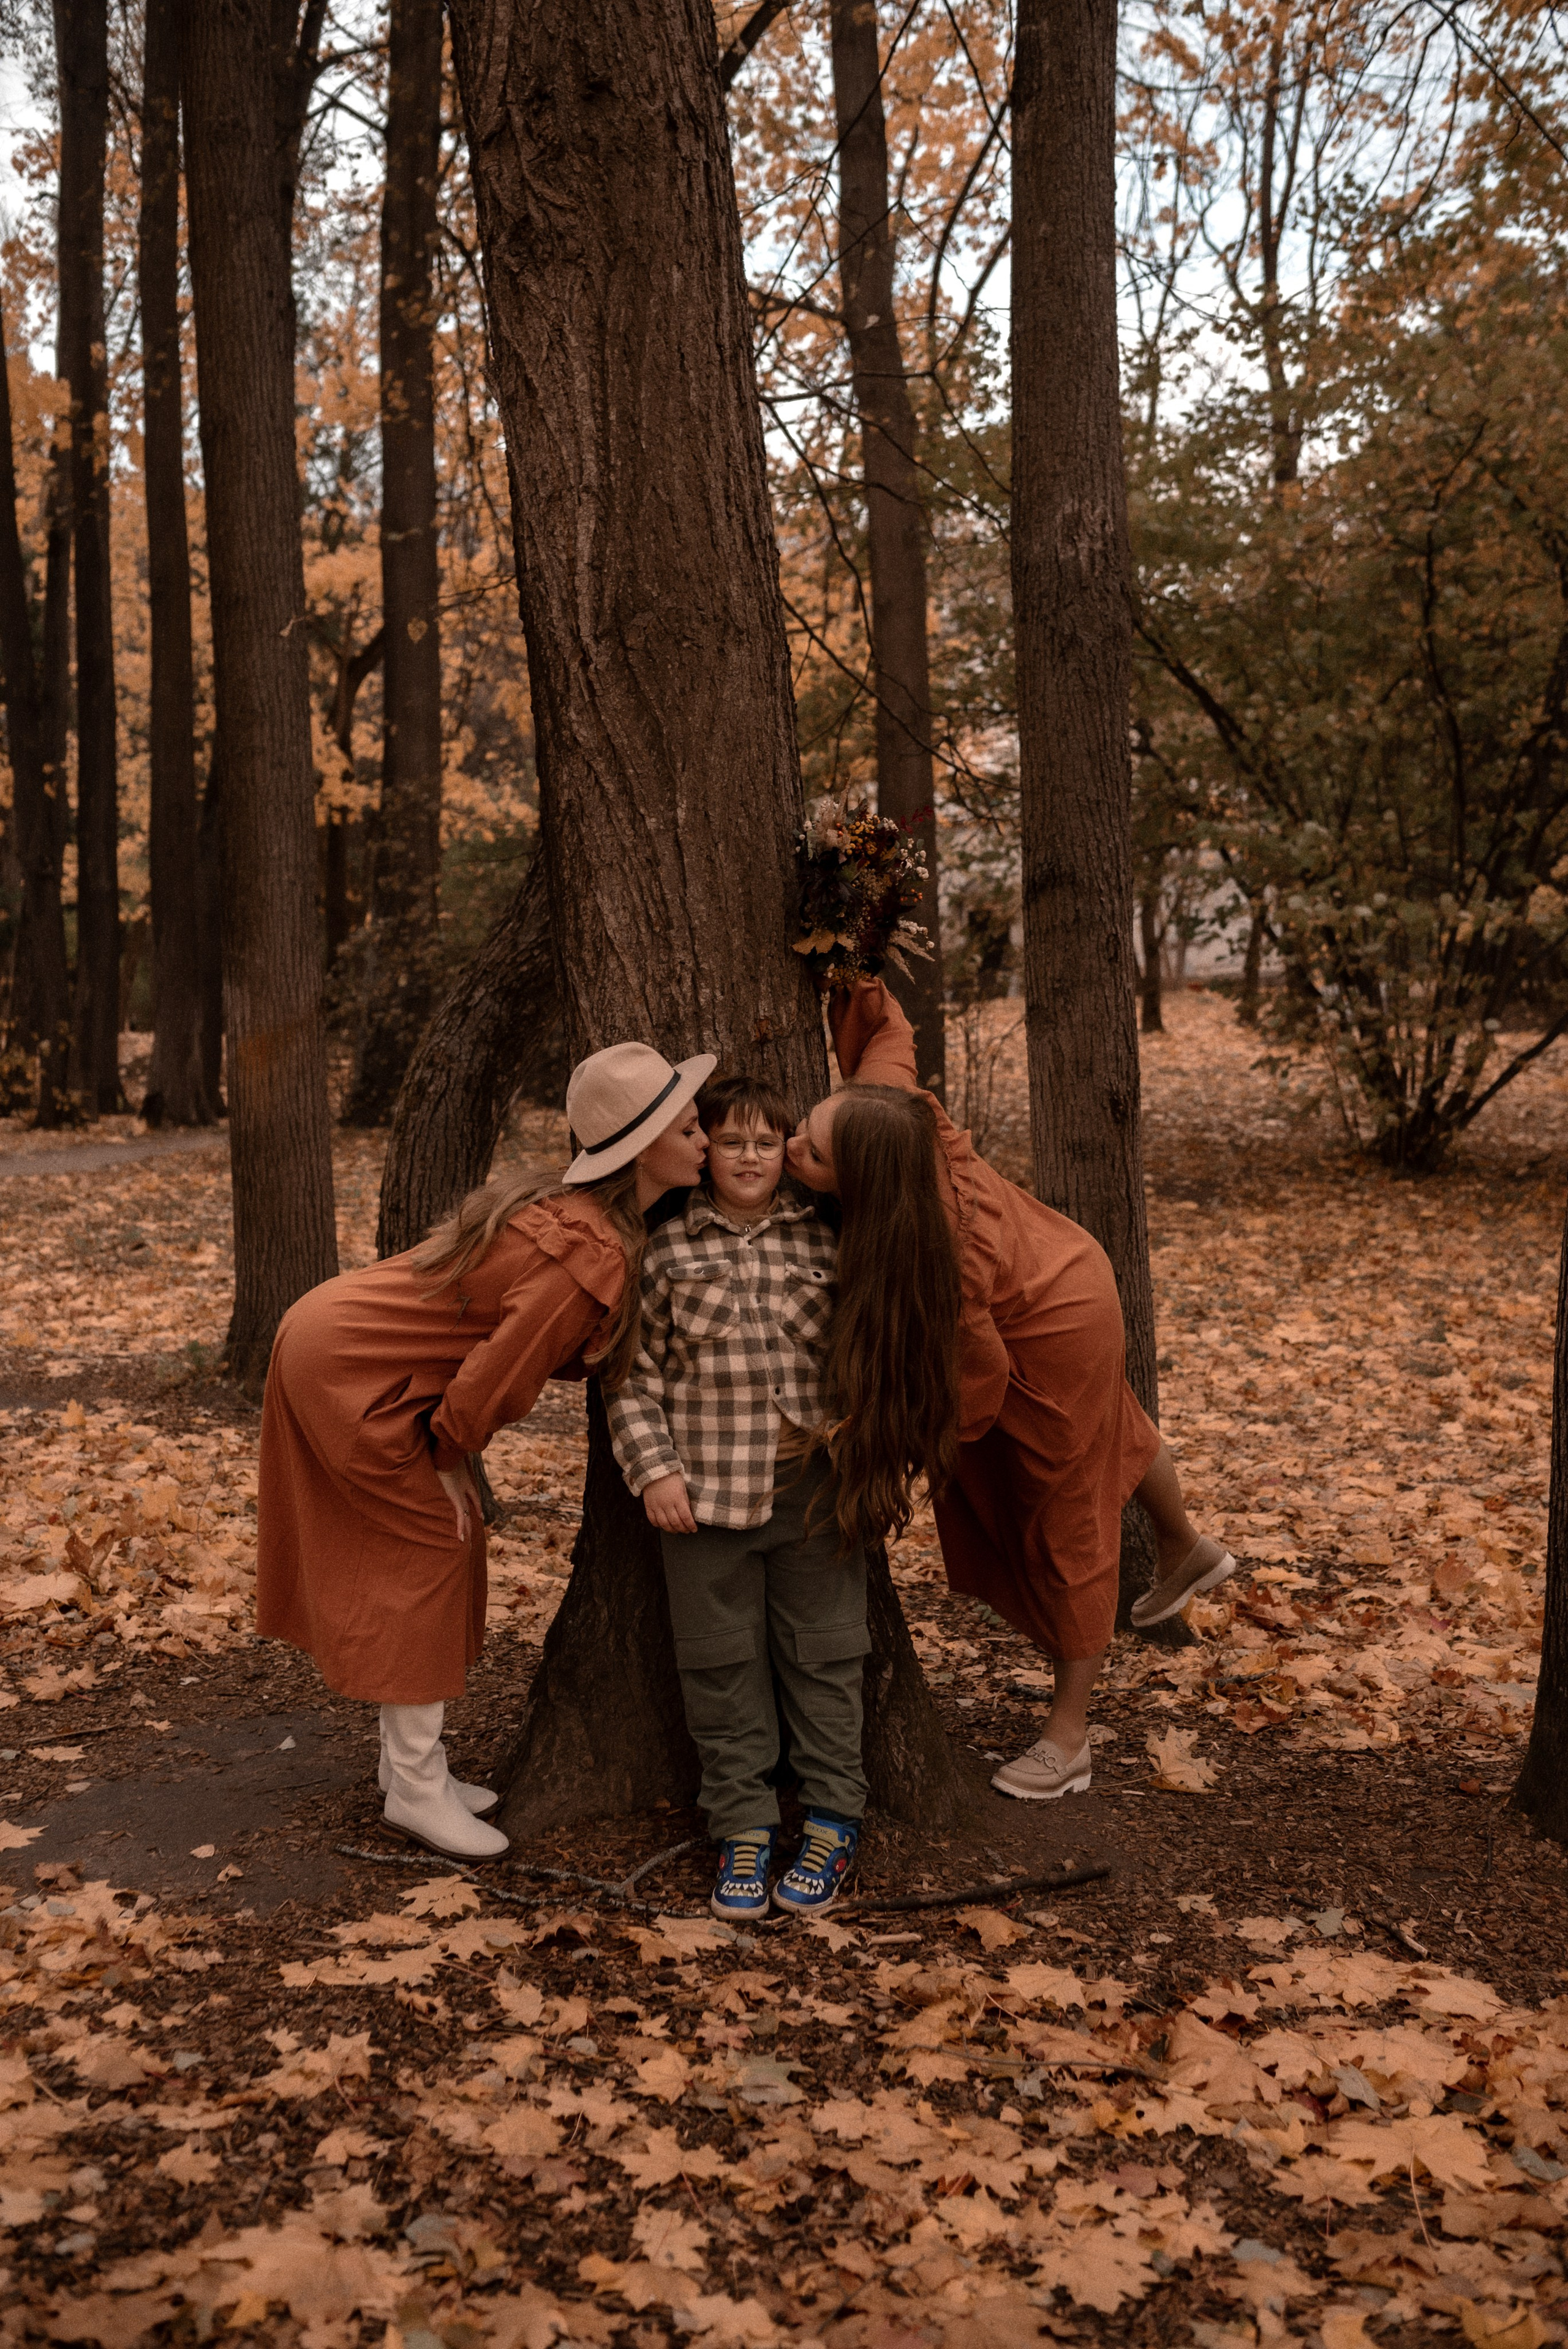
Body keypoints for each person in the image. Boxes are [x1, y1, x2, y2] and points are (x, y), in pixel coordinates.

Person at [255, 1039, 715, 1861]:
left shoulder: (587, 1222)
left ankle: (410, 1775)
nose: (706, 1141)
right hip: (349, 1367)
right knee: (428, 1550)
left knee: (443, 1549)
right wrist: (449, 1455)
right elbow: (495, 1379)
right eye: (690, 1128)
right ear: (647, 1149)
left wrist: (452, 1452)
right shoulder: (591, 1252)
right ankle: (418, 1790)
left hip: (343, 1342)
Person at [785, 979, 1232, 1802]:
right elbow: (885, 1031)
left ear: (867, 1188)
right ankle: (1184, 1546)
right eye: (805, 1130)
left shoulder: (939, 1259)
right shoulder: (886, 1109)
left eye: (811, 1156)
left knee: (1064, 1517)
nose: (788, 1152)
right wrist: (848, 968)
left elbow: (978, 1387)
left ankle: (1070, 1742)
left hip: (1051, 1333)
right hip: (1068, 1268)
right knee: (1117, 1428)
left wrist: (909, 1442)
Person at [606, 1073, 867, 1920]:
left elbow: (867, 1357)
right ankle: (744, 1826)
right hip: (704, 1498)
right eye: (730, 1141)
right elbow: (630, 1381)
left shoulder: (824, 1242)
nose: (749, 1156)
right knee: (721, 1667)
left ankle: (832, 1819)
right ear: (703, 1151)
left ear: (787, 1154)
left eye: (766, 1141)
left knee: (825, 1656)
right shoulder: (666, 1251)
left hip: (815, 1489)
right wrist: (656, 1472)